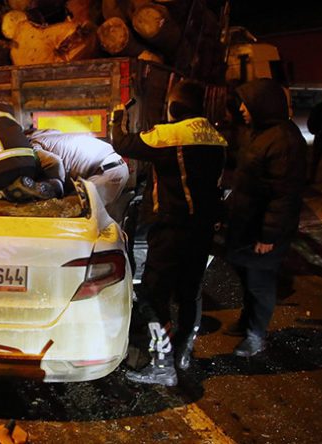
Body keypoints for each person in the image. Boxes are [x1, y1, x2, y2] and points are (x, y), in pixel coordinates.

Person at [111, 80, 227, 386]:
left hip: (171, 230)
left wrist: (116, 118)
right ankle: (182, 354)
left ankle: (162, 366)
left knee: (152, 294)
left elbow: (122, 144)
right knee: (190, 293)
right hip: (202, 230)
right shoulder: (216, 136)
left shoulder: (170, 133)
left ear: (176, 108)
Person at [225, 78, 307, 357]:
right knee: (247, 276)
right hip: (248, 223)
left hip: (265, 230)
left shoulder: (283, 139)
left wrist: (268, 236)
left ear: (263, 104)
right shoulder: (258, 132)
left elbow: (283, 196)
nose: (242, 109)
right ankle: (248, 321)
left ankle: (256, 335)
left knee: (260, 282)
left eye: (246, 104)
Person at [28, 129, 129, 209]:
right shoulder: (46, 134)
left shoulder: (31, 145)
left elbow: (54, 163)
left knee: (65, 210)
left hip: (105, 173)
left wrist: (57, 194)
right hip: (115, 167)